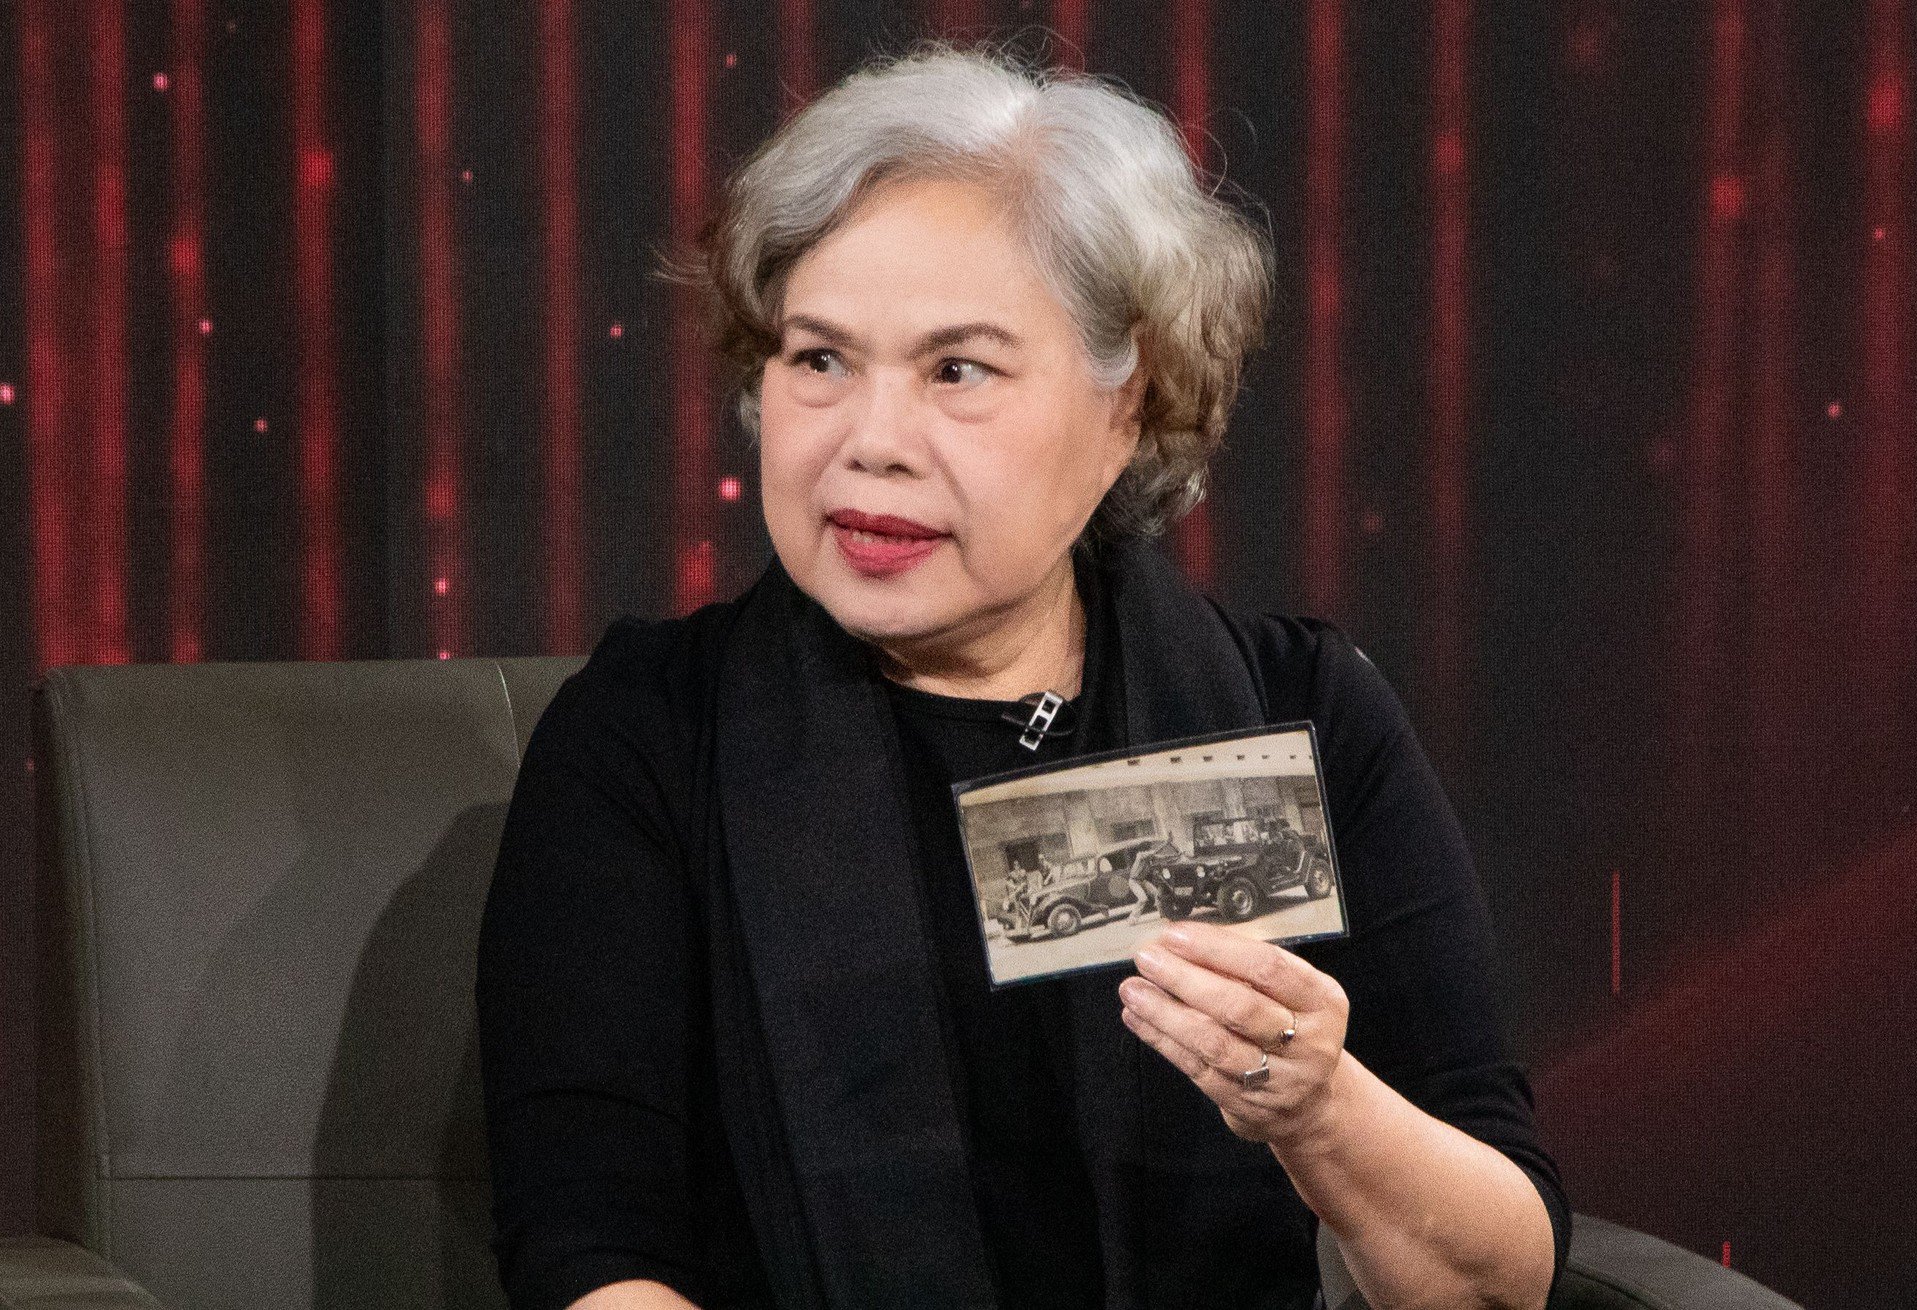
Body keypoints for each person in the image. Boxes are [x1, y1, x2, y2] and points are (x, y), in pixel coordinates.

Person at [475, 38, 1570, 1310]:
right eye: (819, 358)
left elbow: (1499, 1278)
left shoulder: (1299, 712)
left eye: (958, 370)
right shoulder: (650, 736)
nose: (871, 442)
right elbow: (591, 1254)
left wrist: (1319, 1108)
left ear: (1125, 406)